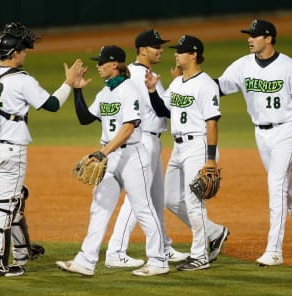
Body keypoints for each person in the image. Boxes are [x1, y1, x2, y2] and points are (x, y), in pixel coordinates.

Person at [0, 22, 83, 277]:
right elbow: (51, 105)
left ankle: (21, 251)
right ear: (15, 52)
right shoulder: (22, 80)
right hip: (12, 148)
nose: (25, 54)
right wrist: (68, 83)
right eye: (23, 50)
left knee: (15, 198)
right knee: (5, 205)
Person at [215, 19, 292, 266]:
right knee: (289, 190)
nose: (249, 39)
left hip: (287, 130)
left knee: (276, 185)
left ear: (269, 38)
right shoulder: (242, 65)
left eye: (254, 35)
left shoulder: (289, 67)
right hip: (261, 134)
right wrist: (191, 78)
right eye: (248, 35)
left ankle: (274, 250)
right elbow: (218, 87)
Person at [56, 45, 169, 277]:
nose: (98, 65)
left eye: (102, 62)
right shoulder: (105, 92)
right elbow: (86, 118)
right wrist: (77, 90)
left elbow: (129, 128)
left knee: (143, 208)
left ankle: (158, 260)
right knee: (99, 207)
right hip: (110, 155)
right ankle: (86, 261)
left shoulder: (130, 90)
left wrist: (103, 152)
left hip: (132, 156)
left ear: (115, 64)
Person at [104, 29, 189, 268]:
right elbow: (164, 109)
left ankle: (163, 245)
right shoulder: (140, 76)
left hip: (150, 140)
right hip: (144, 140)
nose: (161, 49)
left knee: (155, 197)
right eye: (156, 46)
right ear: (142, 50)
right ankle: (115, 251)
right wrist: (178, 84)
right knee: (137, 200)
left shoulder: (138, 73)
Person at [146, 35, 229, 271]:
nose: (176, 54)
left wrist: (211, 158)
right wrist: (153, 91)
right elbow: (164, 110)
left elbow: (212, 122)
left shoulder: (206, 85)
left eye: (181, 51)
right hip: (179, 147)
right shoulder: (177, 83)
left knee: (194, 203)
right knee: (171, 199)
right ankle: (216, 232)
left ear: (193, 54)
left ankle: (199, 256)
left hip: (198, 146)